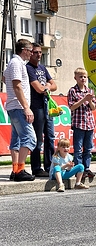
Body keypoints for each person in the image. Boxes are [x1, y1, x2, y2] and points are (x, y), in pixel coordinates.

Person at [4, 39, 37, 181]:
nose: (31, 53)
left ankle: (15, 170)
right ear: (24, 50)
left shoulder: (12, 63)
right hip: (18, 106)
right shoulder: (17, 63)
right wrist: (26, 108)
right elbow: (17, 85)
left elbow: (5, 77)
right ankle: (20, 171)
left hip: (13, 106)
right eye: (30, 51)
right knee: (30, 138)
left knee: (16, 140)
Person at [26, 43, 56, 177]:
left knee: (50, 137)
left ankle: (49, 166)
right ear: (30, 53)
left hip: (47, 106)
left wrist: (47, 87)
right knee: (38, 139)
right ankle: (37, 168)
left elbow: (54, 85)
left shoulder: (43, 68)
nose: (39, 55)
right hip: (36, 106)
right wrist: (46, 87)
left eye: (40, 52)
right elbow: (38, 88)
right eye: (35, 52)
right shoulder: (28, 68)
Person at [67, 67, 96, 179]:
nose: (83, 78)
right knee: (78, 148)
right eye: (80, 77)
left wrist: (89, 100)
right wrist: (84, 99)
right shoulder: (72, 91)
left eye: (84, 76)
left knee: (88, 148)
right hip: (78, 123)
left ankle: (87, 167)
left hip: (89, 123)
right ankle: (79, 169)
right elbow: (72, 106)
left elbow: (93, 108)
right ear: (75, 78)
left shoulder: (90, 91)